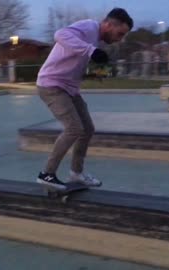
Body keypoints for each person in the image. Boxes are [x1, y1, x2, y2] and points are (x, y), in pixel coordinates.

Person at [36, 8, 133, 190]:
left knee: (87, 129)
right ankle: (47, 174)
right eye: (120, 34)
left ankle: (76, 173)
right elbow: (60, 34)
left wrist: (94, 73)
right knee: (74, 129)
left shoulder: (96, 40)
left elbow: (75, 63)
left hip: (69, 89)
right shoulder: (88, 27)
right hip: (51, 85)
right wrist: (91, 51)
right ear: (109, 24)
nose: (120, 38)